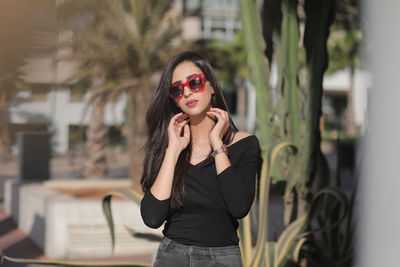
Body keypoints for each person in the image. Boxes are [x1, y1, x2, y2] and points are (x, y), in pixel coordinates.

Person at [140, 51, 261, 267]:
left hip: (222, 258)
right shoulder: (169, 145)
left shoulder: (245, 144)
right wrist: (173, 151)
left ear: (212, 86)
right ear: (173, 99)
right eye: (177, 89)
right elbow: (152, 218)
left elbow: (239, 208)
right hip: (173, 256)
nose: (186, 92)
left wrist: (217, 145)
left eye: (194, 83)